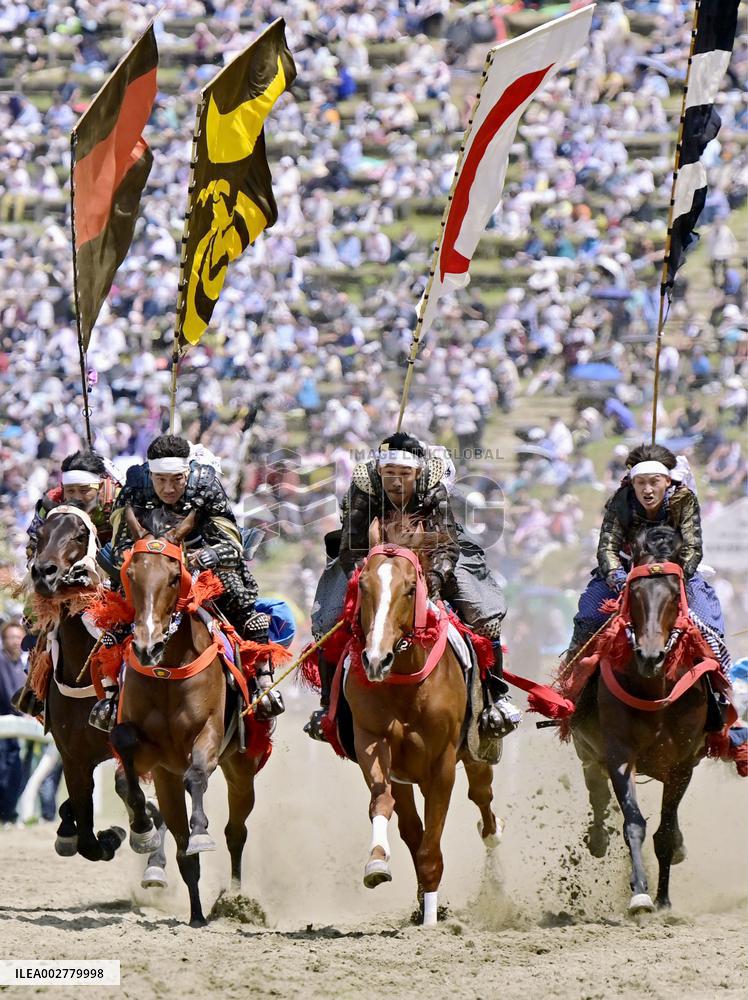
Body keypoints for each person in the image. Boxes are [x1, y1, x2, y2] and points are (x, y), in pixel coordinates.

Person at [306, 431, 521, 764]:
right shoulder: (364, 487)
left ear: (418, 473)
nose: (395, 481)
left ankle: (496, 699)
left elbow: (448, 542)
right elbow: (350, 544)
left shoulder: (433, 487)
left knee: (485, 614)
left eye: (403, 474)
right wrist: (373, 571)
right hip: (373, 560)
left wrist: (432, 578)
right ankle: (326, 708)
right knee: (325, 621)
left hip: (435, 556)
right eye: (389, 473)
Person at [89, 434, 283, 730]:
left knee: (243, 602)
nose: (169, 489)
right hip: (149, 567)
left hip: (201, 568)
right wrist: (147, 559)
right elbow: (118, 547)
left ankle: (262, 681)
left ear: (187, 473)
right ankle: (110, 696)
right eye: (161, 480)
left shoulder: (205, 485)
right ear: (151, 474)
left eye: (176, 480)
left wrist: (203, 556)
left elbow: (232, 544)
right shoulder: (135, 486)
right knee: (113, 617)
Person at [564, 444, 728, 669]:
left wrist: (678, 574)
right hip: (625, 573)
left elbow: (692, 546)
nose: (647, 490)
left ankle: (719, 687)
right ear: (633, 484)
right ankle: (569, 681)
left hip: (677, 574)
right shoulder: (620, 501)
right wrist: (620, 579)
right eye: (641, 483)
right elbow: (607, 548)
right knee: (589, 615)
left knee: (708, 621)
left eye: (654, 482)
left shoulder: (684, 499)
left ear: (667, 481)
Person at [26, 449, 120, 557]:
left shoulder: (119, 500)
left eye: (84, 490)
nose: (77, 497)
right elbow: (33, 543)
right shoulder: (52, 502)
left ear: (100, 487)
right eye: (70, 491)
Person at [0, 622, 28, 826]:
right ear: (3, 640)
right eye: (11, 637)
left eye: (18, 637)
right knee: (4, 770)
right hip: (5, 723)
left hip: (16, 726)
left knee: (16, 770)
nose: (15, 641)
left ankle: (9, 813)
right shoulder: (1, 661)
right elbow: (9, 694)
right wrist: (26, 712)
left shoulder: (23, 663)